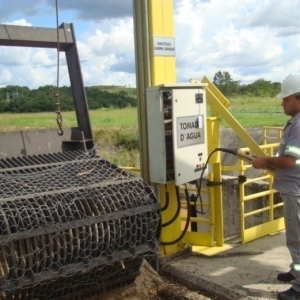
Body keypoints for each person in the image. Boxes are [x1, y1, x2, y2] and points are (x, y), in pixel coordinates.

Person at [252, 73, 300, 300]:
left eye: (286, 98)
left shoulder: (299, 126)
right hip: (293, 188)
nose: (282, 102)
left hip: (295, 191)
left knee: (297, 239)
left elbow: (291, 161)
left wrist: (266, 161)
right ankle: (296, 271)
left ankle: (299, 288)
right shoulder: (295, 122)